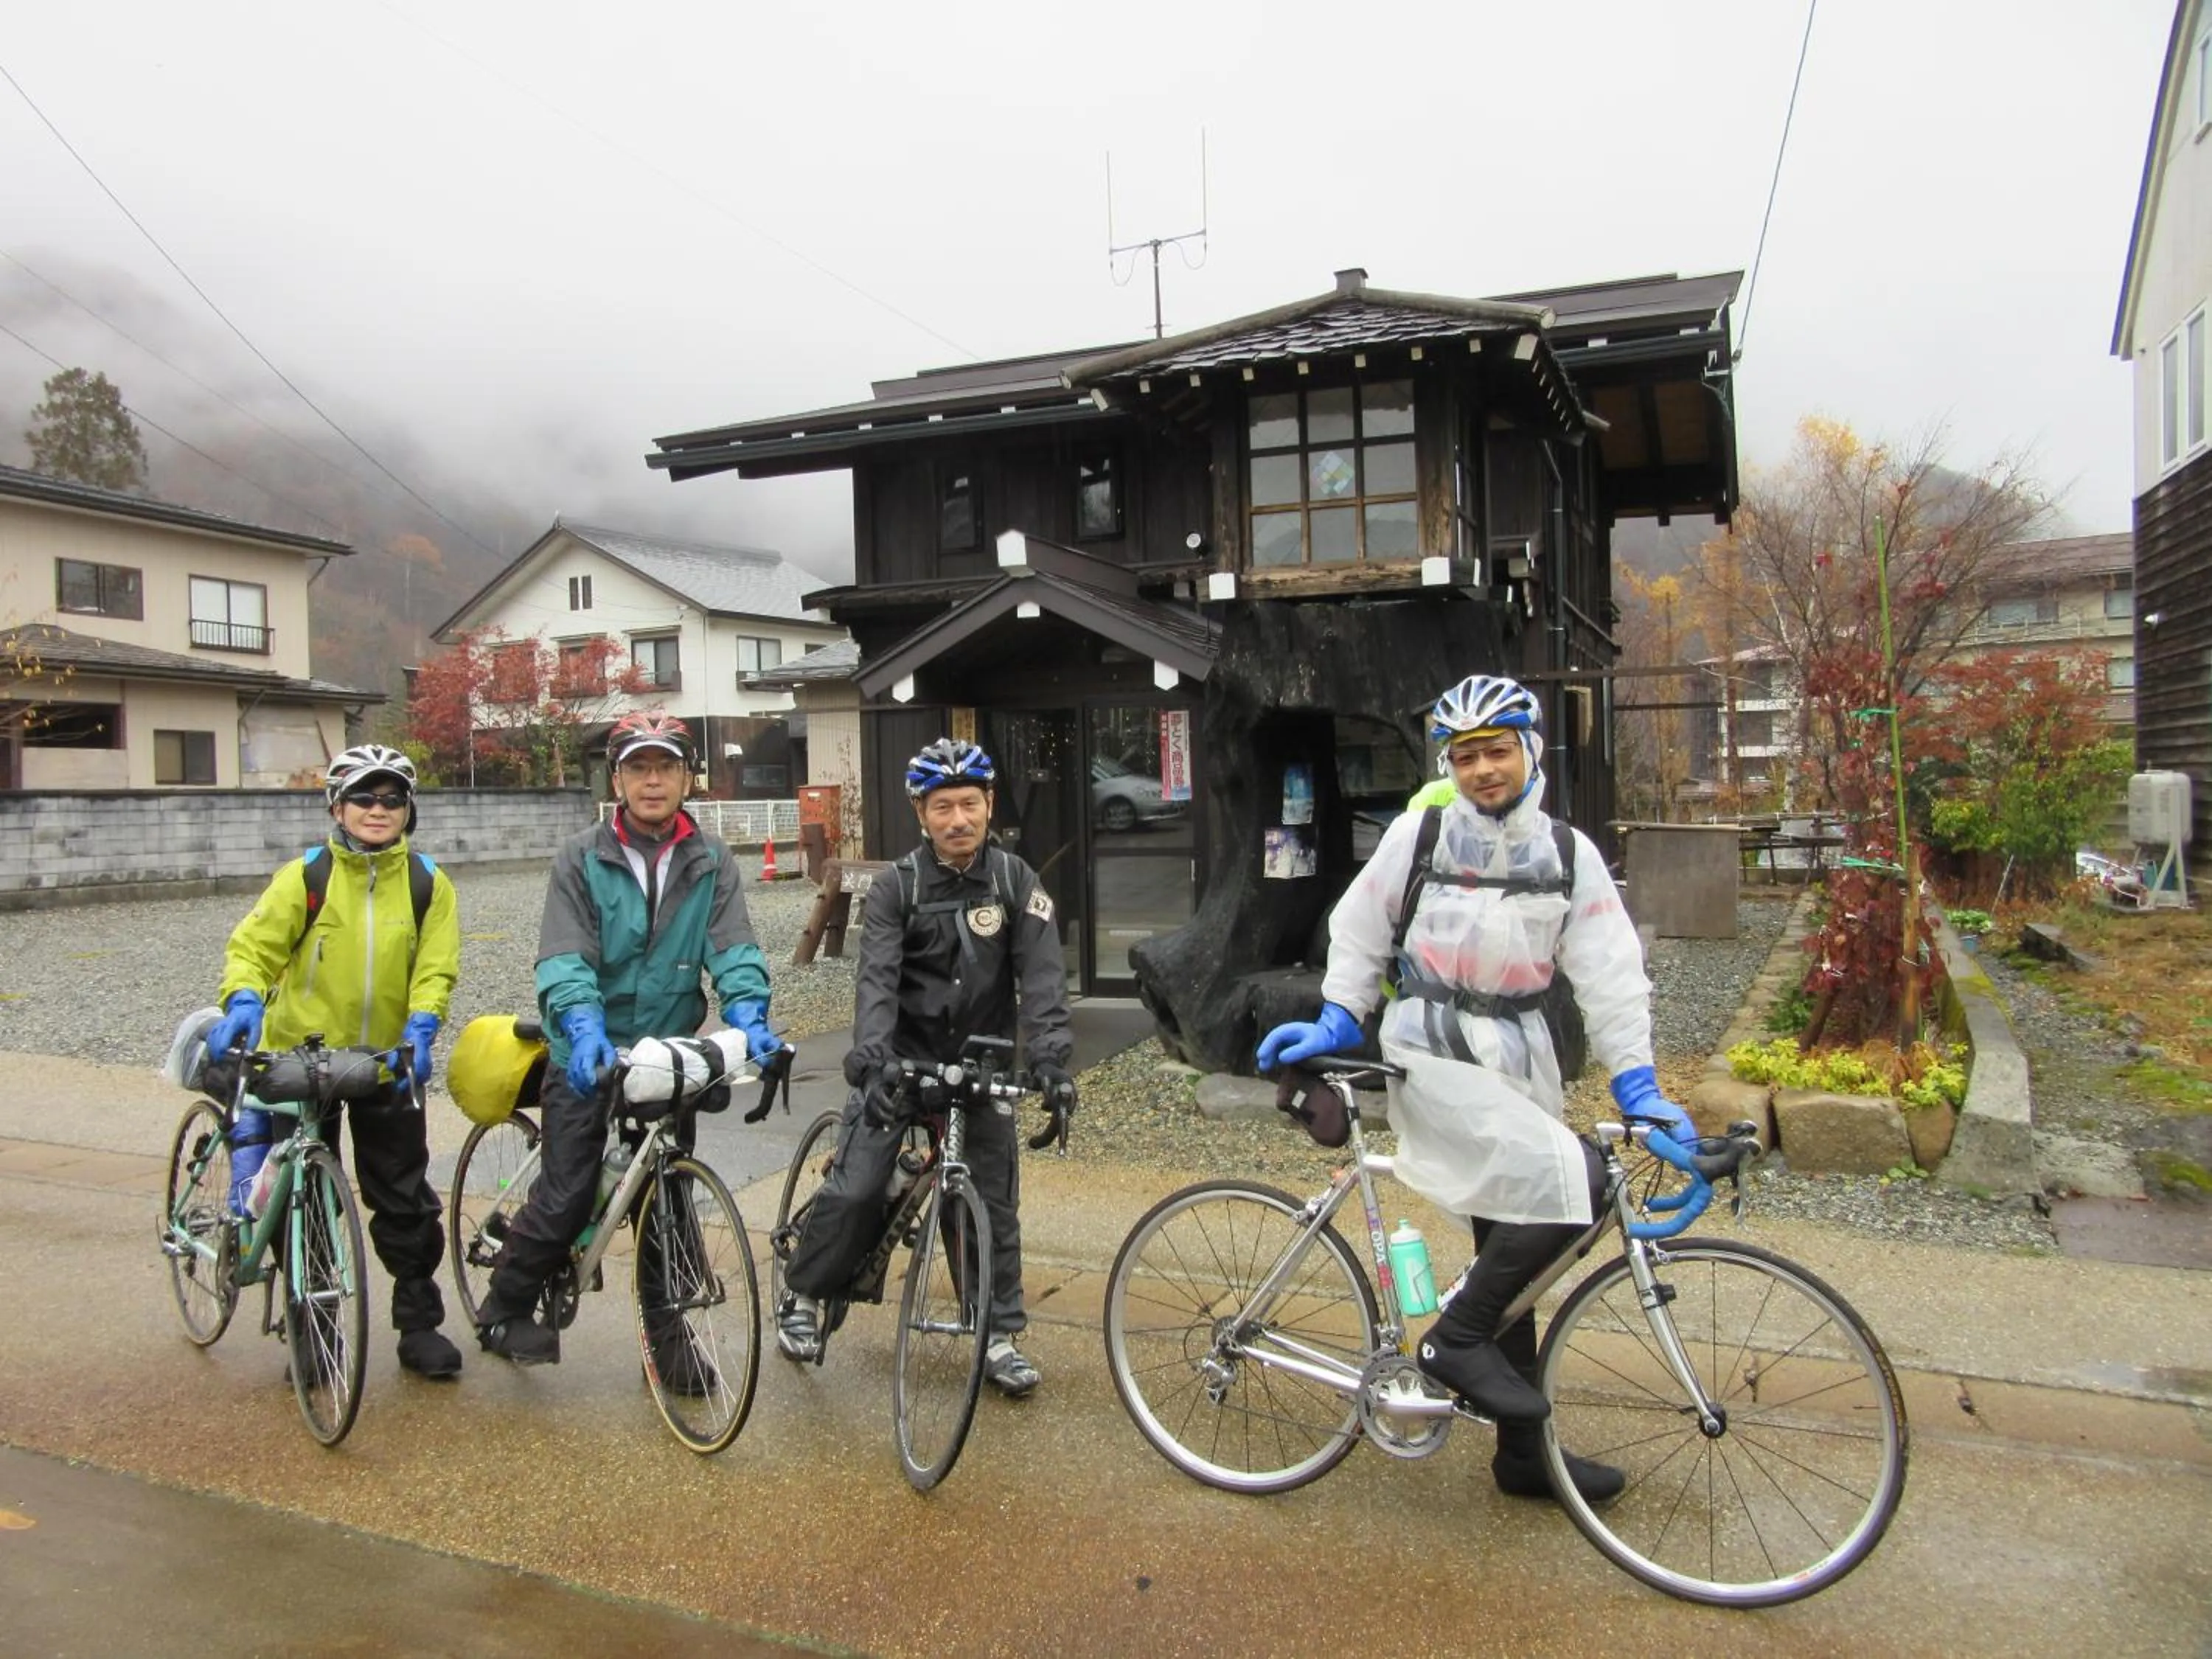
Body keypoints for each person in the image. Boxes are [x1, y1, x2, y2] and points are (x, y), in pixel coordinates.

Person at [1257, 672, 1694, 1504]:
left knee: (1515, 1247)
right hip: (1430, 1052)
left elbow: (1610, 972)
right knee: (1577, 1182)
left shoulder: (1568, 854)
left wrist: (1638, 1082)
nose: (1483, 769)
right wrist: (1339, 1014)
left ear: (1530, 750)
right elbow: (1361, 927)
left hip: (1520, 1061)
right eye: (1465, 757)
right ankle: (1453, 1341)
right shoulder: (1421, 835)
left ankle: (1523, 1455)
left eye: (1497, 751)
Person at [471, 711, 783, 1372]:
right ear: (616, 779)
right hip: (588, 1051)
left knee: (664, 1198)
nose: (653, 780)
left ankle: (668, 1348)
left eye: (666, 767)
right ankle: (503, 1308)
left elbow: (732, 948)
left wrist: (750, 1015)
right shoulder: (581, 856)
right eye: (638, 767)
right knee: (567, 1195)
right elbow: (565, 956)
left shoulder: (711, 859)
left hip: (665, 1058)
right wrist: (582, 1026)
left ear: (688, 778)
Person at [776, 737, 1077, 1397]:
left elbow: (1043, 982)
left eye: (970, 804)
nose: (958, 819)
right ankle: (804, 1292)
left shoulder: (1015, 882)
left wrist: (1052, 1064)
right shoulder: (897, 887)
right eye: (943, 807)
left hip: (981, 1067)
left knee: (992, 1204)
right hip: (903, 1065)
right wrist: (871, 1063)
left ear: (989, 803)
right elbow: (877, 982)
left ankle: (996, 1334)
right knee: (859, 1188)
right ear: (921, 813)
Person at [208, 743, 465, 1380]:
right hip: (302, 1060)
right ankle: (314, 1329)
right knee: (304, 1199)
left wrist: (424, 1022)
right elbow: (255, 948)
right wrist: (244, 997)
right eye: (364, 797)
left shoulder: (427, 883)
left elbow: (435, 966)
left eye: (393, 798)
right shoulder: (306, 877)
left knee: (405, 1198)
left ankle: (419, 1325)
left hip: (385, 1061)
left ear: (409, 810)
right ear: (337, 807)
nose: (379, 809)